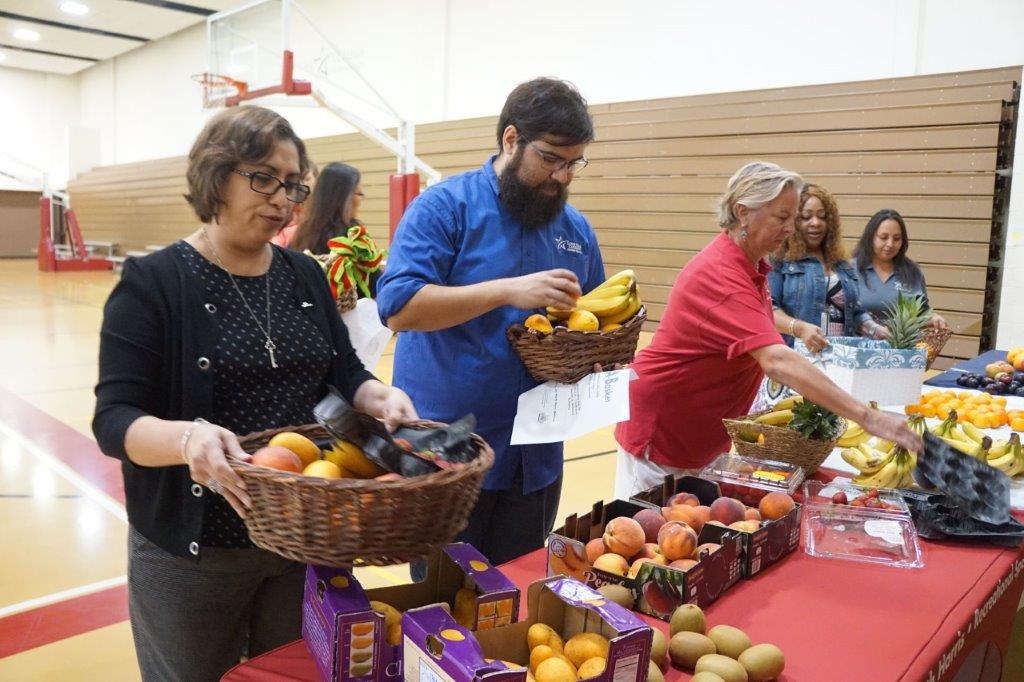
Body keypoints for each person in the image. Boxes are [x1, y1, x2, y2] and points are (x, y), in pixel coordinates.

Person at [92, 106, 417, 681]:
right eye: (262, 178)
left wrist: (379, 397)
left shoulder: (304, 275)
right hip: (196, 554)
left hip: (301, 540)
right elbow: (115, 421)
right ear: (216, 176)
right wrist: (188, 438)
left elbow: (344, 374)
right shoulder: (154, 283)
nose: (282, 199)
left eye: (292, 185)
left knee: (292, 672)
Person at [375, 78, 603, 574]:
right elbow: (398, 306)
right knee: (439, 605)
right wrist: (506, 290)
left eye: (574, 163)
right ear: (511, 140)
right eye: (551, 159)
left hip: (535, 456)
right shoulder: (444, 207)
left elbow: (598, 321)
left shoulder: (576, 230)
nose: (562, 176)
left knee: (512, 597)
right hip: (448, 451)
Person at [613, 162, 919, 498]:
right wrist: (867, 417)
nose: (791, 228)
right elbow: (776, 360)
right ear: (743, 212)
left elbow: (755, 319)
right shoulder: (720, 273)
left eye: (793, 217)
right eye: (782, 217)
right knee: (653, 535)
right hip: (665, 431)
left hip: (699, 430)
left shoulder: (752, 266)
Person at [768, 183, 886, 353]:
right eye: (806, 217)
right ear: (794, 220)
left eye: (822, 216)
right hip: (797, 359)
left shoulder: (842, 265)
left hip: (840, 360)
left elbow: (855, 312)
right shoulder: (779, 261)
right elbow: (768, 310)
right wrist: (799, 328)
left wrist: (874, 329)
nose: (815, 223)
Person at [852, 208, 948, 329]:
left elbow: (921, 312)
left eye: (896, 238)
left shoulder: (914, 271)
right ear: (870, 238)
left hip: (901, 346)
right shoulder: (850, 270)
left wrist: (934, 318)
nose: (890, 244)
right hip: (857, 346)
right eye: (883, 237)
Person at [289, 162, 365, 255]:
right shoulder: (352, 235)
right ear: (345, 198)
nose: (361, 200)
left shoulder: (303, 231)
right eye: (360, 194)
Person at [270, 160, 319, 247]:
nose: (302, 184)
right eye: (298, 180)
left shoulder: (320, 207)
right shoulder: (287, 203)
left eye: (307, 179)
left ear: (316, 180)